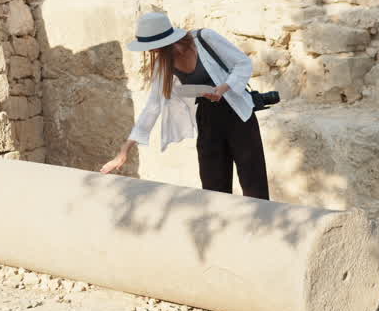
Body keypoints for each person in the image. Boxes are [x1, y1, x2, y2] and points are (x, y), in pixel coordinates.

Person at [99, 11, 270, 200]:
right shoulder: (162, 64)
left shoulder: (205, 39)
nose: (151, 52)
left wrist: (224, 88)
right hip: (207, 120)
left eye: (153, 46)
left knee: (253, 183)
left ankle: (260, 226)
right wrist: (125, 150)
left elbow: (242, 62)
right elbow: (152, 106)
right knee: (213, 187)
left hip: (238, 115)